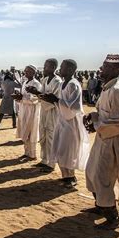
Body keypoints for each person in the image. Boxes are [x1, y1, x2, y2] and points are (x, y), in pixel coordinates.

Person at [83, 54, 119, 230]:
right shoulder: (107, 88)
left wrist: (97, 125)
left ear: (117, 70)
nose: (101, 68)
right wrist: (92, 117)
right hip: (103, 139)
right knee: (91, 171)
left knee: (103, 178)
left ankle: (113, 218)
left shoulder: (118, 91)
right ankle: (100, 206)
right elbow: (103, 112)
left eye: (105, 66)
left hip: (113, 142)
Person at [41, 59, 90, 188]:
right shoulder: (64, 83)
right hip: (62, 120)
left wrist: (56, 100)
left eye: (62, 67)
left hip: (71, 123)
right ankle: (65, 176)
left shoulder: (73, 85)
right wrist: (51, 100)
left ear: (69, 70)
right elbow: (61, 103)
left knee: (68, 150)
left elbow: (73, 108)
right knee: (59, 148)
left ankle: (71, 177)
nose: (59, 69)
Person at [28, 59, 62, 172]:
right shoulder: (45, 79)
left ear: (53, 68)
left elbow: (55, 99)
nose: (44, 68)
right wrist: (35, 92)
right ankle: (44, 159)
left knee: (51, 136)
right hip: (44, 110)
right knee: (43, 135)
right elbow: (42, 95)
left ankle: (51, 163)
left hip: (52, 112)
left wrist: (40, 94)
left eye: (46, 66)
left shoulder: (57, 81)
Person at [13, 65, 42, 161]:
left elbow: (36, 99)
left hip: (32, 111)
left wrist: (22, 99)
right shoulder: (25, 82)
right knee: (24, 131)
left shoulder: (37, 84)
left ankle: (32, 154)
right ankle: (26, 152)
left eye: (28, 71)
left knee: (31, 132)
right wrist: (18, 97)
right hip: (23, 109)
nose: (26, 73)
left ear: (34, 73)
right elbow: (23, 96)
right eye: (25, 71)